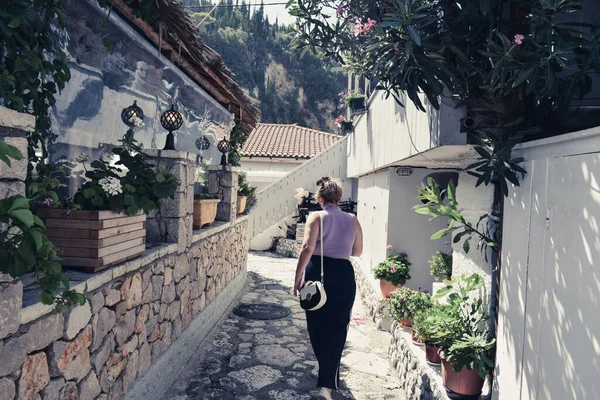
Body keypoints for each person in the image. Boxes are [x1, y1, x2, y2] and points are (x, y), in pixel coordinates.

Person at [293, 176, 363, 400]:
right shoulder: (353, 219)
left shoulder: (316, 216)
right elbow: (357, 251)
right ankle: (327, 383)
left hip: (317, 275)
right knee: (338, 327)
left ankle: (326, 380)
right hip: (344, 275)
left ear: (319, 198)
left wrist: (298, 275)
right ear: (340, 198)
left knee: (317, 325)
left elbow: (306, 247)